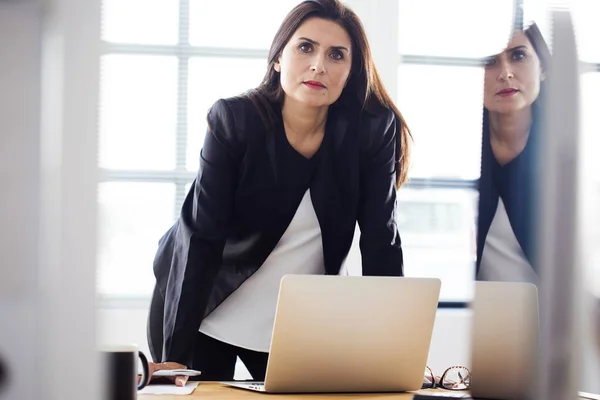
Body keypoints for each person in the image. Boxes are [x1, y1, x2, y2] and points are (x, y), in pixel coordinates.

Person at [146, 0, 412, 386]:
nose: (319, 65)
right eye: (305, 47)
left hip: (295, 324)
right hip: (203, 309)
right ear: (277, 59)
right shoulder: (235, 120)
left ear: (352, 71)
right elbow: (200, 237)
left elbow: (380, 239)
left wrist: (393, 351)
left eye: (336, 55)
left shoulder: (370, 131)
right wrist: (174, 356)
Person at [476, 22, 551, 283]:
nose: (505, 73)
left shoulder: (568, 149)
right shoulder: (462, 147)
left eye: (518, 56)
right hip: (476, 316)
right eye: (489, 61)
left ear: (542, 66)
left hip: (561, 316)